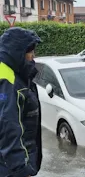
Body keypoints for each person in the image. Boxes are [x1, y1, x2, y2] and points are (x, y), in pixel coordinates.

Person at [0, 27, 42, 177]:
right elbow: (8, 126)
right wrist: (21, 168)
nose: (33, 56)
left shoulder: (14, 73)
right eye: (30, 52)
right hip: (10, 168)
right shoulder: (8, 81)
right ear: (19, 53)